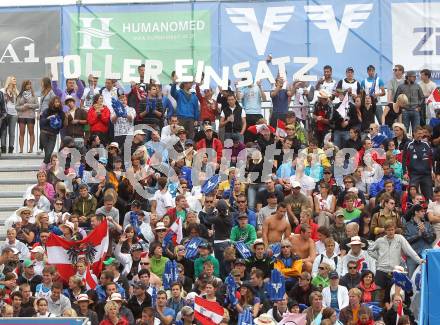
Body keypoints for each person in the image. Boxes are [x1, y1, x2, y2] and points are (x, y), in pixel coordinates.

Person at [370, 221, 423, 292]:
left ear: (395, 229)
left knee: (394, 294)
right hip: (381, 271)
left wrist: (419, 260)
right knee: (377, 293)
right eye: (388, 230)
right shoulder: (379, 240)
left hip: (394, 271)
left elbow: (409, 250)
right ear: (385, 230)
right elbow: (369, 250)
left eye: (392, 229)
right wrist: (379, 258)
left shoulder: (400, 238)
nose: (391, 232)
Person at [39, 96, 67, 168]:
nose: (57, 103)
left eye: (58, 102)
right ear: (52, 103)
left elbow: (62, 126)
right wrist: (48, 118)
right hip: (44, 133)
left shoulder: (61, 113)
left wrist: (63, 120)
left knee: (49, 152)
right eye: (55, 102)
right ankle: (47, 166)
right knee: (47, 152)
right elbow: (42, 122)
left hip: (53, 134)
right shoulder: (47, 111)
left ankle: (44, 166)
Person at [16, 80, 39, 153]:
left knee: (31, 132)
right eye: (27, 84)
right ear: (24, 86)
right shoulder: (20, 95)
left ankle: (31, 149)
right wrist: (22, 107)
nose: (29, 86)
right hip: (21, 116)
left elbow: (37, 105)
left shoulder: (33, 95)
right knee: (21, 133)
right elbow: (16, 107)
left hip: (30, 116)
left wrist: (29, 105)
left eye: (30, 84)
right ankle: (21, 150)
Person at [0, 76, 18, 154]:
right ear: (9, 81)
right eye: (14, 79)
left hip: (14, 114)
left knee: (12, 132)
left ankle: (11, 149)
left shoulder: (16, 91)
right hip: (5, 114)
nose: (15, 80)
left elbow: (18, 102)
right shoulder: (2, 91)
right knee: (3, 132)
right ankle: (3, 148)